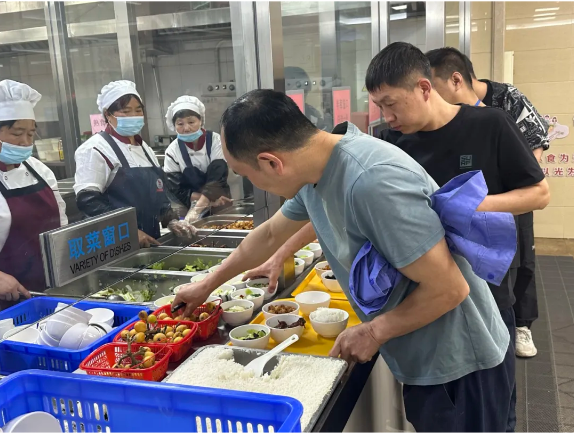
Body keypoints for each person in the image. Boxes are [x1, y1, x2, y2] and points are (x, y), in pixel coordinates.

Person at [174, 88, 515, 432]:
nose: (251, 182)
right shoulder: (316, 170)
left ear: (272, 162)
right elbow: (269, 235)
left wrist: (373, 332)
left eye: (246, 174)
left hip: (460, 365)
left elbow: (449, 289)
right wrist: (206, 286)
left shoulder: (372, 182)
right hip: (426, 354)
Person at [369, 42, 550, 431]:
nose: (387, 117)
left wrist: (469, 205)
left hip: (486, 292)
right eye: (379, 107)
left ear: (424, 87)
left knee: (491, 409)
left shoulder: (490, 124)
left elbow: (538, 194)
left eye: (391, 104)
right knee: (435, 413)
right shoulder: (393, 141)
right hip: (426, 298)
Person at [461, 49, 548, 358]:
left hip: (513, 190)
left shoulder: (506, 99)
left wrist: (522, 178)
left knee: (522, 258)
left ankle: (522, 324)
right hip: (480, 192)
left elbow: (538, 138)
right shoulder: (455, 111)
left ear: (458, 79)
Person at [74, 80, 192, 247]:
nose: (134, 116)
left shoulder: (144, 148)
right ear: (108, 114)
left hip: (149, 239)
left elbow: (157, 193)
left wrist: (170, 219)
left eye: (138, 110)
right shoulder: (95, 149)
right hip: (113, 243)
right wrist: (128, 230)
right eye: (126, 111)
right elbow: (88, 201)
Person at [0, 79, 67, 303]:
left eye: (30, 134)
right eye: (17, 133)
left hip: (47, 289)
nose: (24, 142)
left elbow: (62, 227)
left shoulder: (39, 169)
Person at [163, 96, 232, 223]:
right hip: (190, 205)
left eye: (191, 122)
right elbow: (177, 189)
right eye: (180, 124)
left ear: (201, 121)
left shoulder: (216, 141)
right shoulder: (172, 151)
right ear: (174, 125)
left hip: (221, 204)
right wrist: (206, 203)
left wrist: (199, 207)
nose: (186, 128)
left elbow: (217, 177)